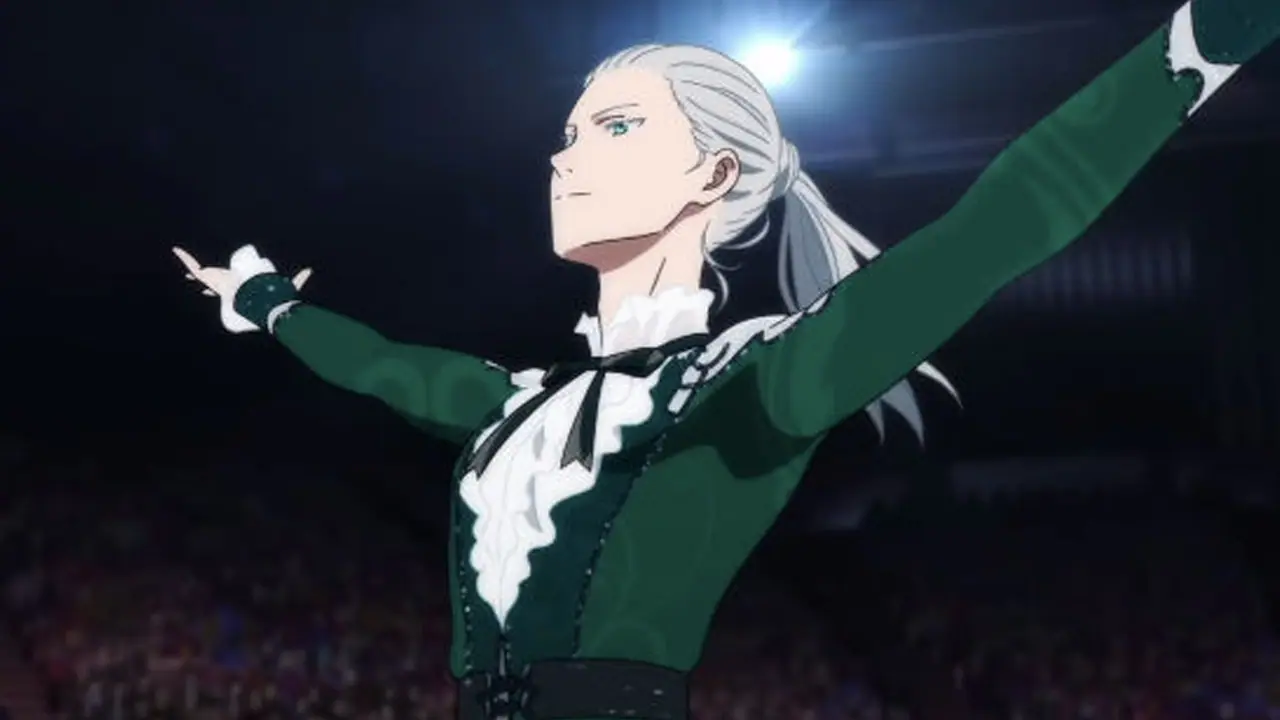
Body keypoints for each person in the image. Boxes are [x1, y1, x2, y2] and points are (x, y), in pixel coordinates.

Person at [173, 1, 1280, 717]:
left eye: (614, 128)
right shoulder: (509, 402)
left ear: (711, 177)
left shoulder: (756, 381)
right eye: (567, 134)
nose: (564, 159)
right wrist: (266, 302)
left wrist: (1190, 52)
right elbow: (377, 365)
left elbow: (995, 225)